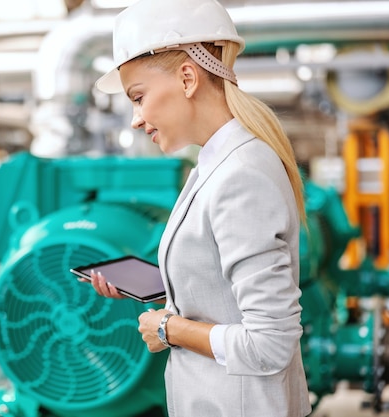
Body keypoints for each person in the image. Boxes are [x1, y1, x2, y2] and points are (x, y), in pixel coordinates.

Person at [86, 0, 313, 415]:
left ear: (187, 77)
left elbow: (269, 343)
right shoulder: (216, 165)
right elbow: (222, 283)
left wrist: (169, 328)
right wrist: (162, 288)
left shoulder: (240, 174)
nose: (136, 119)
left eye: (138, 97)